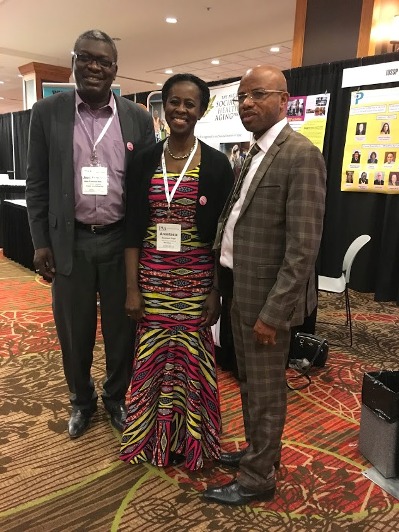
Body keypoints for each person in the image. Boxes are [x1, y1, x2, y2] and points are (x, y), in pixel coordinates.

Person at [202, 65, 326, 506]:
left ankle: (258, 480)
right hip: (239, 286)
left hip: (267, 299)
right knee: (250, 383)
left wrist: (275, 314)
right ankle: (260, 454)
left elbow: (302, 250)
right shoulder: (252, 152)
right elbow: (232, 220)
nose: (246, 104)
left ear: (284, 99)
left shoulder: (300, 155)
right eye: (240, 98)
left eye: (257, 94)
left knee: (267, 388)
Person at [25, 29, 155, 439]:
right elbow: (37, 183)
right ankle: (82, 401)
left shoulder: (138, 118)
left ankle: (116, 397)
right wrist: (40, 240)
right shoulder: (48, 113)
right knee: (73, 330)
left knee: (122, 331)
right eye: (87, 58)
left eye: (104, 61)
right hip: (71, 241)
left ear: (115, 70)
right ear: (74, 63)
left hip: (121, 243)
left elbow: (146, 188)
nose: (95, 66)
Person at [119, 73, 234, 471]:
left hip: (197, 281)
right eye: (174, 102)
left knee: (191, 361)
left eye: (190, 104)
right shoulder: (144, 160)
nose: (181, 110)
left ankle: (192, 441)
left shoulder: (218, 165)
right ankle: (152, 439)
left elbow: (221, 238)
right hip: (152, 279)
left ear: (201, 110)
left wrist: (215, 290)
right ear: (163, 107)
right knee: (151, 359)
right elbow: (132, 228)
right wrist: (132, 288)